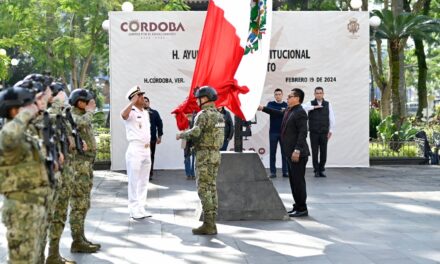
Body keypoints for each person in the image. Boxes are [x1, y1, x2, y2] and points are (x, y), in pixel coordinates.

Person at [0, 86, 53, 264]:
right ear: (14, 109)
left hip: (34, 208)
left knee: (32, 258)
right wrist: (27, 112)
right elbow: (8, 136)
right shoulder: (7, 133)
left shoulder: (25, 135)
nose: (32, 110)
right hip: (20, 209)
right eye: (26, 107)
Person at [176, 86, 224, 235]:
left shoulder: (203, 115)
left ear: (204, 99)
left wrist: (181, 134)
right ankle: (212, 222)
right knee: (212, 187)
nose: (197, 101)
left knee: (203, 188)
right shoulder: (219, 115)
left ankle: (209, 224)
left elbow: (196, 132)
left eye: (198, 98)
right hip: (216, 154)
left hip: (204, 155)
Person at [258, 88, 310, 217]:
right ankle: (297, 206)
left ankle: (302, 208)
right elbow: (276, 113)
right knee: (293, 182)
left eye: (290, 96)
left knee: (298, 182)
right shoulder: (289, 110)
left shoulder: (300, 112)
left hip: (298, 153)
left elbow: (303, 133)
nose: (287, 98)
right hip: (290, 153)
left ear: (297, 98)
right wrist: (262, 108)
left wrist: (297, 150)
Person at [69, 88, 101, 253]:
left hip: (86, 165)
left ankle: (80, 238)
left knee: (84, 203)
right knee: (78, 204)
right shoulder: (72, 114)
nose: (90, 104)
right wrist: (89, 112)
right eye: (87, 101)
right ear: (79, 102)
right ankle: (76, 241)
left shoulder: (81, 114)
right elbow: (78, 123)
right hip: (78, 167)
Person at [121, 86, 152, 219]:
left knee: (144, 181)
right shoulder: (131, 111)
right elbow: (123, 115)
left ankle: (141, 207)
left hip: (146, 149)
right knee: (134, 180)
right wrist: (132, 103)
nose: (143, 97)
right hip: (135, 149)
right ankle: (133, 209)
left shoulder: (145, 112)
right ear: (134, 98)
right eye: (140, 95)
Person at [302, 87, 335, 178]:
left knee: (324, 152)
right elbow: (302, 107)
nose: (319, 94)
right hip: (314, 132)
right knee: (315, 152)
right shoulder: (310, 103)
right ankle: (316, 170)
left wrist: (331, 130)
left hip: (324, 132)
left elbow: (331, 118)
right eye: (317, 93)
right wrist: (314, 107)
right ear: (314, 94)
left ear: (323, 94)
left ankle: (321, 169)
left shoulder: (328, 104)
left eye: (320, 93)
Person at [261, 88, 288, 178]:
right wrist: (280, 111)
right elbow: (271, 111)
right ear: (274, 95)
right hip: (273, 132)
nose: (278, 96)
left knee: (284, 153)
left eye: (279, 94)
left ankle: (285, 172)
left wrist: (277, 111)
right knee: (272, 153)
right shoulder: (270, 104)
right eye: (276, 94)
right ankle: (273, 172)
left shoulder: (286, 104)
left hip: (283, 133)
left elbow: (282, 114)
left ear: (282, 95)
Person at [143, 96, 163, 180]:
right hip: (142, 140)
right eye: (143, 101)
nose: (145, 102)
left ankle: (149, 173)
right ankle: (142, 173)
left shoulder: (154, 113)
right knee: (142, 156)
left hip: (152, 139)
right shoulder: (138, 113)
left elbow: (160, 124)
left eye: (146, 101)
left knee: (150, 156)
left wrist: (159, 136)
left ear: (149, 102)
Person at [182, 113, 195, 180]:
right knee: (186, 157)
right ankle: (188, 174)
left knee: (194, 157)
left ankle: (193, 174)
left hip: (193, 139)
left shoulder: (196, 115)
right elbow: (181, 126)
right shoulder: (183, 116)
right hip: (185, 139)